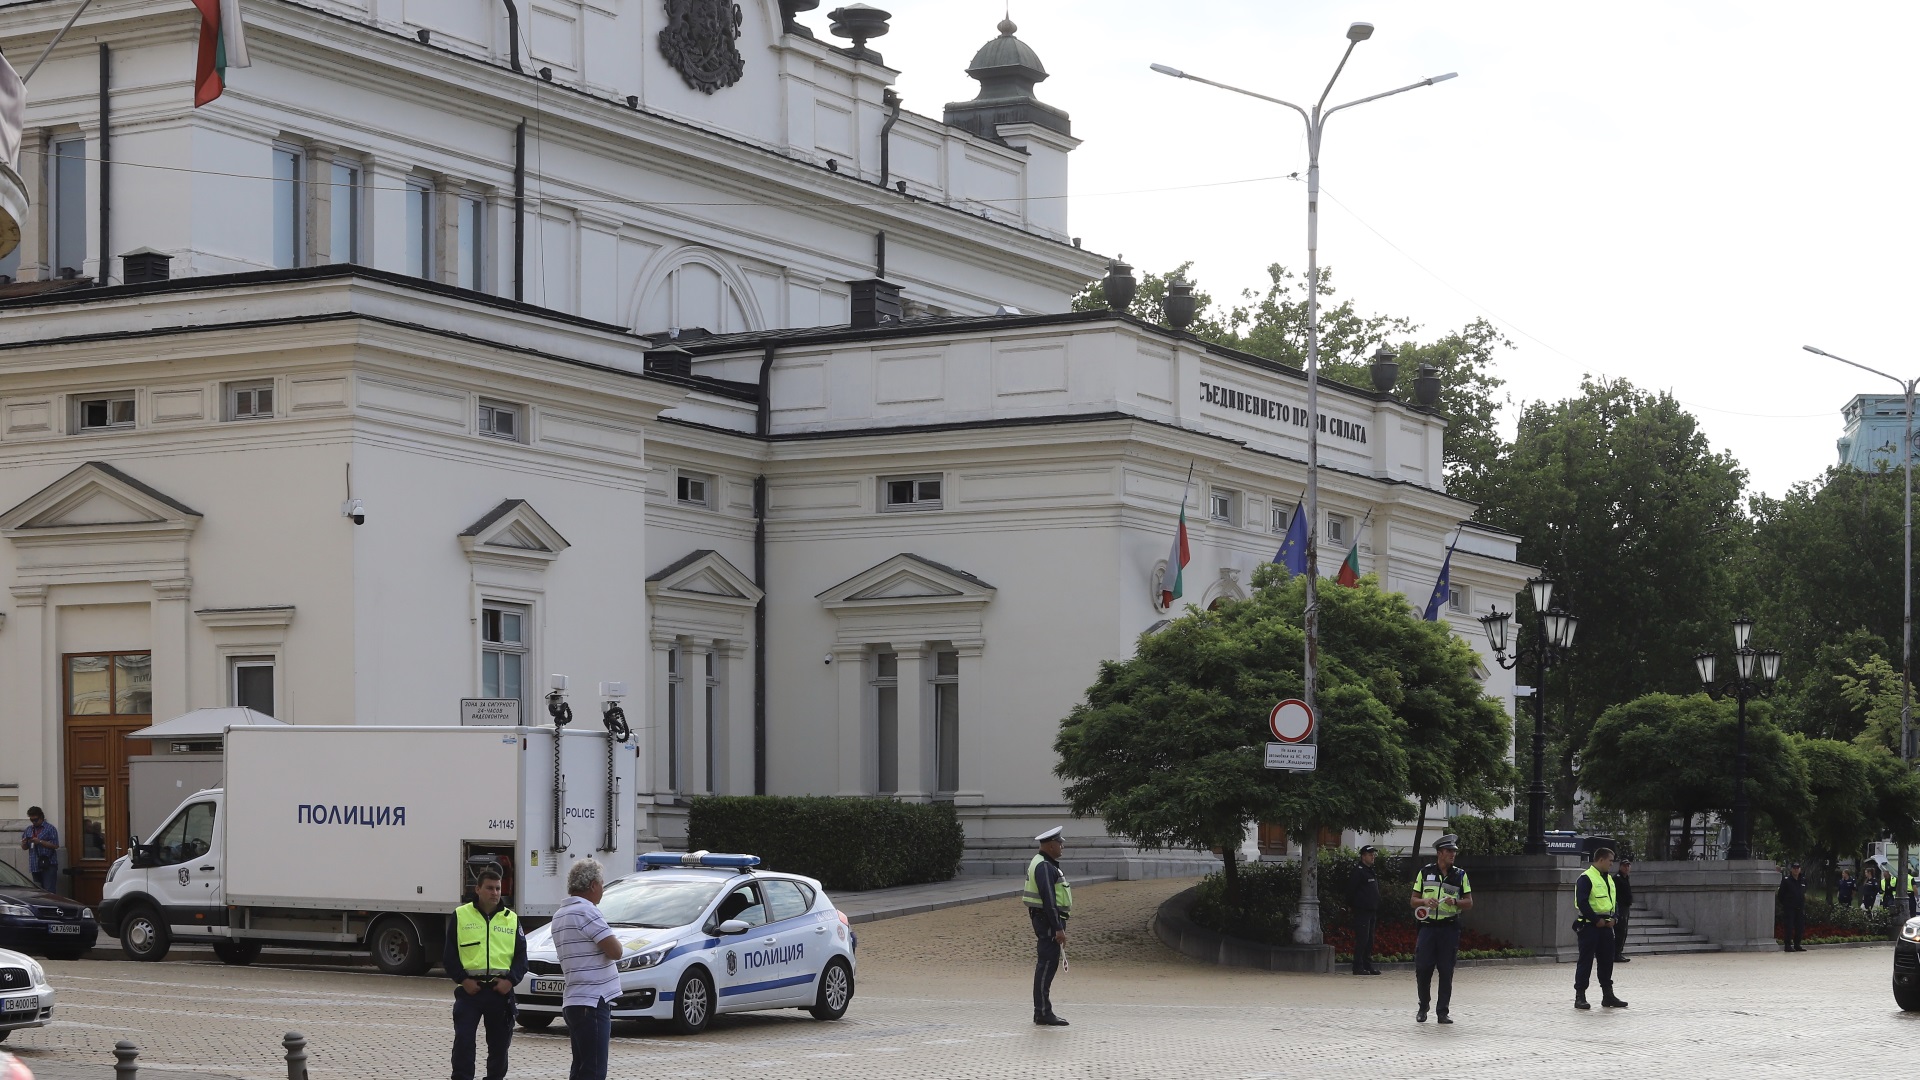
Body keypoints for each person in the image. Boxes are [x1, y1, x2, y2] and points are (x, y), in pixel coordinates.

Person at [445, 865, 527, 1080]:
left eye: (498, 888)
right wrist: (463, 980)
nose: (495, 893)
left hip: (499, 993)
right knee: (463, 1042)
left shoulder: (511, 919)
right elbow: (449, 955)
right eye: (490, 888)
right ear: (478, 889)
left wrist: (510, 981)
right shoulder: (461, 916)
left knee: (499, 1047)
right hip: (471, 991)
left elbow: (521, 958)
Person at [549, 858, 623, 1080]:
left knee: (580, 1068)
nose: (602, 889)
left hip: (574, 1000)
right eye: (601, 884)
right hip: (593, 1001)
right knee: (594, 1070)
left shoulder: (560, 915)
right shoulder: (587, 912)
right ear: (592, 885)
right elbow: (616, 951)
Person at [1411, 834, 1473, 1024]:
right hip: (1428, 929)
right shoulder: (1425, 872)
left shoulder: (1460, 875)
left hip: (1449, 929)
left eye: (1454, 851)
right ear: (1439, 853)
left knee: (1446, 971)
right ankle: (1423, 1006)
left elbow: (1469, 903)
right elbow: (1413, 900)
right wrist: (1424, 901)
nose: (1452, 855)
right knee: (1423, 969)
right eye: (1448, 851)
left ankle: (1442, 1012)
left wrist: (1456, 901)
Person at [1022, 826, 1072, 1026]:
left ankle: (1042, 1010)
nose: (1062, 847)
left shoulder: (1043, 863)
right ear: (1051, 846)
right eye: (1060, 844)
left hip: (1045, 920)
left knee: (1046, 965)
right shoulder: (1044, 866)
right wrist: (1058, 928)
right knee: (1046, 966)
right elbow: (1049, 900)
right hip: (1048, 921)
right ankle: (1042, 1011)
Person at [1573, 847, 1627, 1010]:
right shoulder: (1586, 878)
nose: (1612, 864)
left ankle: (1607, 995)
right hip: (1590, 926)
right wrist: (1596, 920)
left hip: (1606, 926)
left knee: (1606, 961)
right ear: (1601, 860)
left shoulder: (1609, 879)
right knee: (1586, 961)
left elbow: (1614, 902)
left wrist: (1615, 919)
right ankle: (1580, 996)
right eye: (1610, 861)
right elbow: (1582, 902)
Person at [1348, 845, 1382, 976]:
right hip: (1362, 910)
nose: (1372, 856)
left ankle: (1367, 965)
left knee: (1370, 940)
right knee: (1362, 939)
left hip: (1371, 910)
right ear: (1363, 856)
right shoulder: (1359, 871)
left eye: (1373, 854)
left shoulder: (1369, 870)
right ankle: (1358, 966)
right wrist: (1355, 906)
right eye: (1370, 854)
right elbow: (1351, 891)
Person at [19, 807, 59, 895]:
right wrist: (25, 843)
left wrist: (40, 841)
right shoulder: (29, 829)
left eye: (35, 820)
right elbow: (24, 847)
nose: (33, 822)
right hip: (34, 864)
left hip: (48, 863)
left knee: (49, 890)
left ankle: (50, 908)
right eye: (31, 819)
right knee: (38, 891)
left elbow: (55, 845)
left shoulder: (50, 828)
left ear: (41, 817)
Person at [1776, 861, 1808, 953]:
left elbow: (1804, 891)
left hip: (1800, 907)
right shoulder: (1786, 880)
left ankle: (1797, 945)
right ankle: (1787, 945)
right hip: (1789, 908)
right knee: (1789, 927)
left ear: (1800, 869)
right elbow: (1781, 895)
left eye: (1797, 868)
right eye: (1794, 868)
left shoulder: (1803, 880)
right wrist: (1786, 903)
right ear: (1791, 869)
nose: (1796, 870)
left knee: (1800, 927)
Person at [1611, 856, 1634, 964]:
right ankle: (1616, 953)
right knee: (1620, 931)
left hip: (1625, 907)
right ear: (1620, 867)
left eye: (1628, 865)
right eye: (1624, 866)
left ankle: (1618, 952)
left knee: (1623, 931)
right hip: (1620, 907)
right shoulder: (1617, 878)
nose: (1626, 868)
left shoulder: (1626, 878)